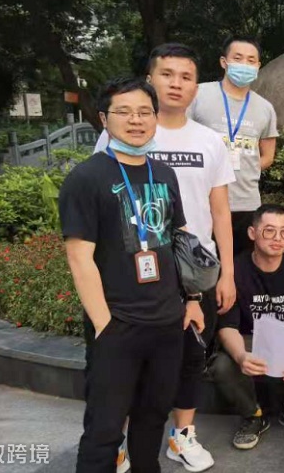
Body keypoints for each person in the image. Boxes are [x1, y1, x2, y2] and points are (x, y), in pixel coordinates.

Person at [93, 44, 235, 473]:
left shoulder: (210, 141)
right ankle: (119, 442)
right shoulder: (119, 133)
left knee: (191, 357)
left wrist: (226, 273)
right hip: (132, 273)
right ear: (149, 80)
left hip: (192, 273)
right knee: (129, 362)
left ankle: (182, 435)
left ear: (196, 85)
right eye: (167, 74)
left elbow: (220, 211)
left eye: (186, 76)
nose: (176, 83)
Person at [61, 77, 202, 473]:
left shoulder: (164, 173)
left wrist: (192, 300)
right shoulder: (86, 178)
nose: (136, 120)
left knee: (152, 416)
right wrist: (104, 326)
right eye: (123, 112)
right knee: (105, 428)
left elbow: (180, 241)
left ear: (155, 118)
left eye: (144, 112)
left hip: (167, 323)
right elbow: (80, 258)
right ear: (104, 119)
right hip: (117, 324)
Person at [210, 204, 284, 450]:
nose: (278, 238)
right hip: (250, 341)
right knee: (222, 365)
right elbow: (227, 326)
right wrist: (241, 356)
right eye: (269, 231)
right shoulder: (234, 271)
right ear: (252, 233)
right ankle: (253, 415)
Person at [189, 35, 279, 256]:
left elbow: (268, 156)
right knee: (201, 267)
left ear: (258, 66)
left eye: (251, 60)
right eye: (238, 58)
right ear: (224, 62)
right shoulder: (198, 95)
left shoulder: (265, 108)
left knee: (240, 267)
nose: (244, 64)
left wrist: (246, 167)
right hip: (202, 202)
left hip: (246, 204)